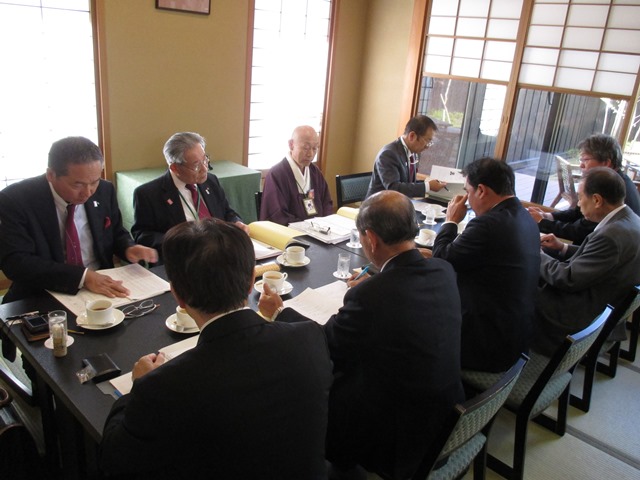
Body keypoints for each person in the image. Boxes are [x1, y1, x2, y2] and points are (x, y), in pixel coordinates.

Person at [99, 218, 333, 479]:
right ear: (250, 282)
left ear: (177, 294)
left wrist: (136, 388)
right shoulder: (309, 337)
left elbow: (115, 459)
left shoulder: (163, 386)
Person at [259, 190, 464, 480]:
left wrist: (280, 312)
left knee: (310, 384)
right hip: (445, 421)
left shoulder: (373, 296)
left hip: (401, 440)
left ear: (371, 238)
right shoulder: (443, 270)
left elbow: (324, 343)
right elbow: (403, 296)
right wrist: (378, 282)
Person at [0, 136, 158, 303]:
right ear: (51, 175)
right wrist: (82, 277)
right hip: (43, 292)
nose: (88, 192)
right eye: (77, 185)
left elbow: (116, 232)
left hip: (102, 285)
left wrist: (128, 247)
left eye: (94, 182)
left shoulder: (105, 190)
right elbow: (16, 263)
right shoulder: (15, 200)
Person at [432, 157, 541, 372]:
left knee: (413, 321)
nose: (467, 200)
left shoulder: (487, 224)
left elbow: (442, 259)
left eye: (468, 192)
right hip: (516, 336)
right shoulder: (525, 216)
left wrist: (451, 220)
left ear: (481, 190)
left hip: (487, 346)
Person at [533, 167, 640, 356]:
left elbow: (567, 279)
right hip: (601, 299)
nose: (578, 203)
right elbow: (601, 259)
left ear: (597, 200)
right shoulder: (631, 219)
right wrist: (562, 247)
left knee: (511, 289)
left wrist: (535, 253)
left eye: (581, 197)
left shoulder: (611, 236)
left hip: (577, 313)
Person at [132, 132, 248, 262]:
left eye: (205, 159)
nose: (204, 169)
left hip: (220, 255)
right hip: (182, 260)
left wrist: (236, 223)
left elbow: (227, 212)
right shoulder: (148, 194)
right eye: (196, 165)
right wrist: (182, 243)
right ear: (175, 168)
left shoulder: (211, 181)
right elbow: (142, 234)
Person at [527, 134, 640, 245]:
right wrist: (548, 216)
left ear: (606, 163)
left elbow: (581, 230)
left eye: (585, 160)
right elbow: (577, 212)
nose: (581, 165)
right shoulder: (605, 180)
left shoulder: (613, 189)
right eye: (580, 160)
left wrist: (542, 222)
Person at [259, 125, 333, 225]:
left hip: (319, 229)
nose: (310, 154)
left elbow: (327, 204)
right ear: (291, 145)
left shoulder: (315, 172)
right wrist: (307, 227)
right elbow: (277, 215)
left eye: (315, 148)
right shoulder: (276, 175)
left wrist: (325, 224)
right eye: (306, 148)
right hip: (290, 232)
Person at [366, 115, 448, 199]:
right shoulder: (388, 154)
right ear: (412, 136)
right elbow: (394, 188)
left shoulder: (413, 152)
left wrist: (428, 183)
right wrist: (427, 186)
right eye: (427, 141)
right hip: (379, 203)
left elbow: (408, 183)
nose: (427, 146)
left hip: (399, 202)